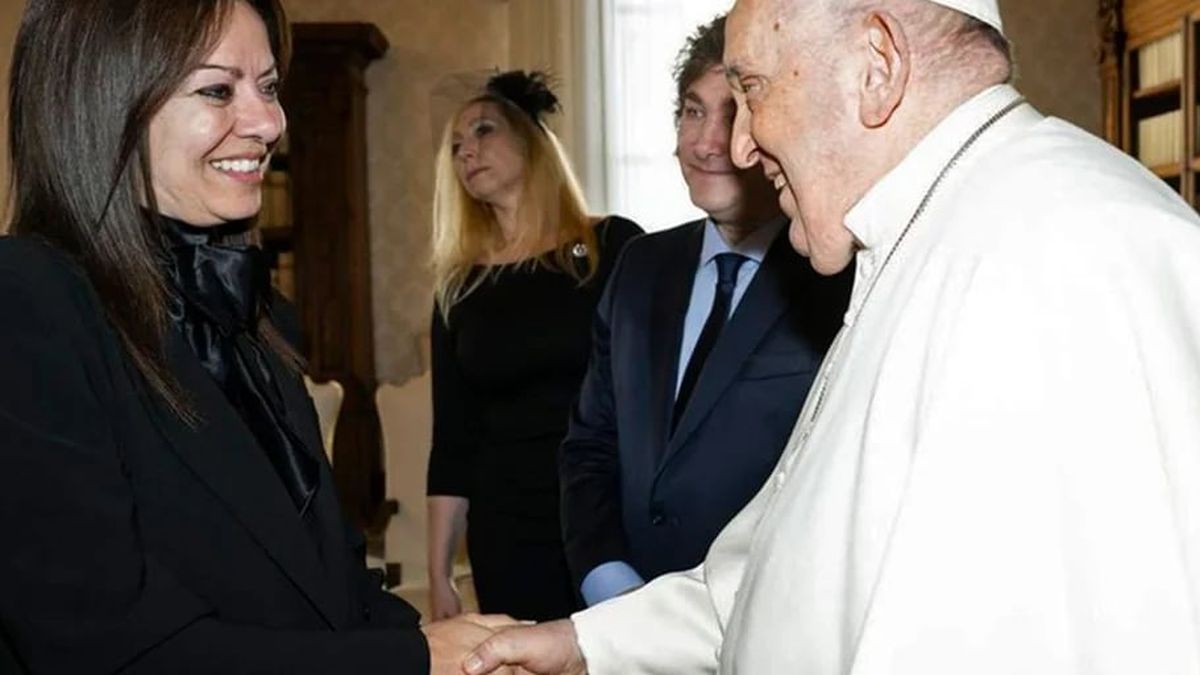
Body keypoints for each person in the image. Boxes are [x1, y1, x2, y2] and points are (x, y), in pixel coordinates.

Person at [463, 0, 1200, 672]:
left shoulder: (1072, 252)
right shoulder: (911, 237)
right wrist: (591, 642)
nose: (739, 145)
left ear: (877, 67)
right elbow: (786, 569)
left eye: (752, 90)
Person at [0, 1, 510, 673]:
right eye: (218, 90)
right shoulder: (27, 300)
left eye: (268, 87)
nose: (271, 122)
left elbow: (334, 584)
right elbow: (105, 646)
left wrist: (481, 649)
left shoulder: (260, 317)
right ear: (103, 104)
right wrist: (413, 658)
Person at [560, 14, 850, 607]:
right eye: (693, 111)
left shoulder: (837, 276)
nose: (709, 143)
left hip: (769, 619)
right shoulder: (639, 265)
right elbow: (590, 446)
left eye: (735, 112)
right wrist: (611, 586)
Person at [425, 70, 643, 622]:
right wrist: (439, 575)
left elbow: (658, 391)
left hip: (606, 510)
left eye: (482, 132)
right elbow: (453, 441)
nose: (466, 153)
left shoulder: (612, 247)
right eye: (455, 147)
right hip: (506, 527)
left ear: (532, 140)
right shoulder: (458, 289)